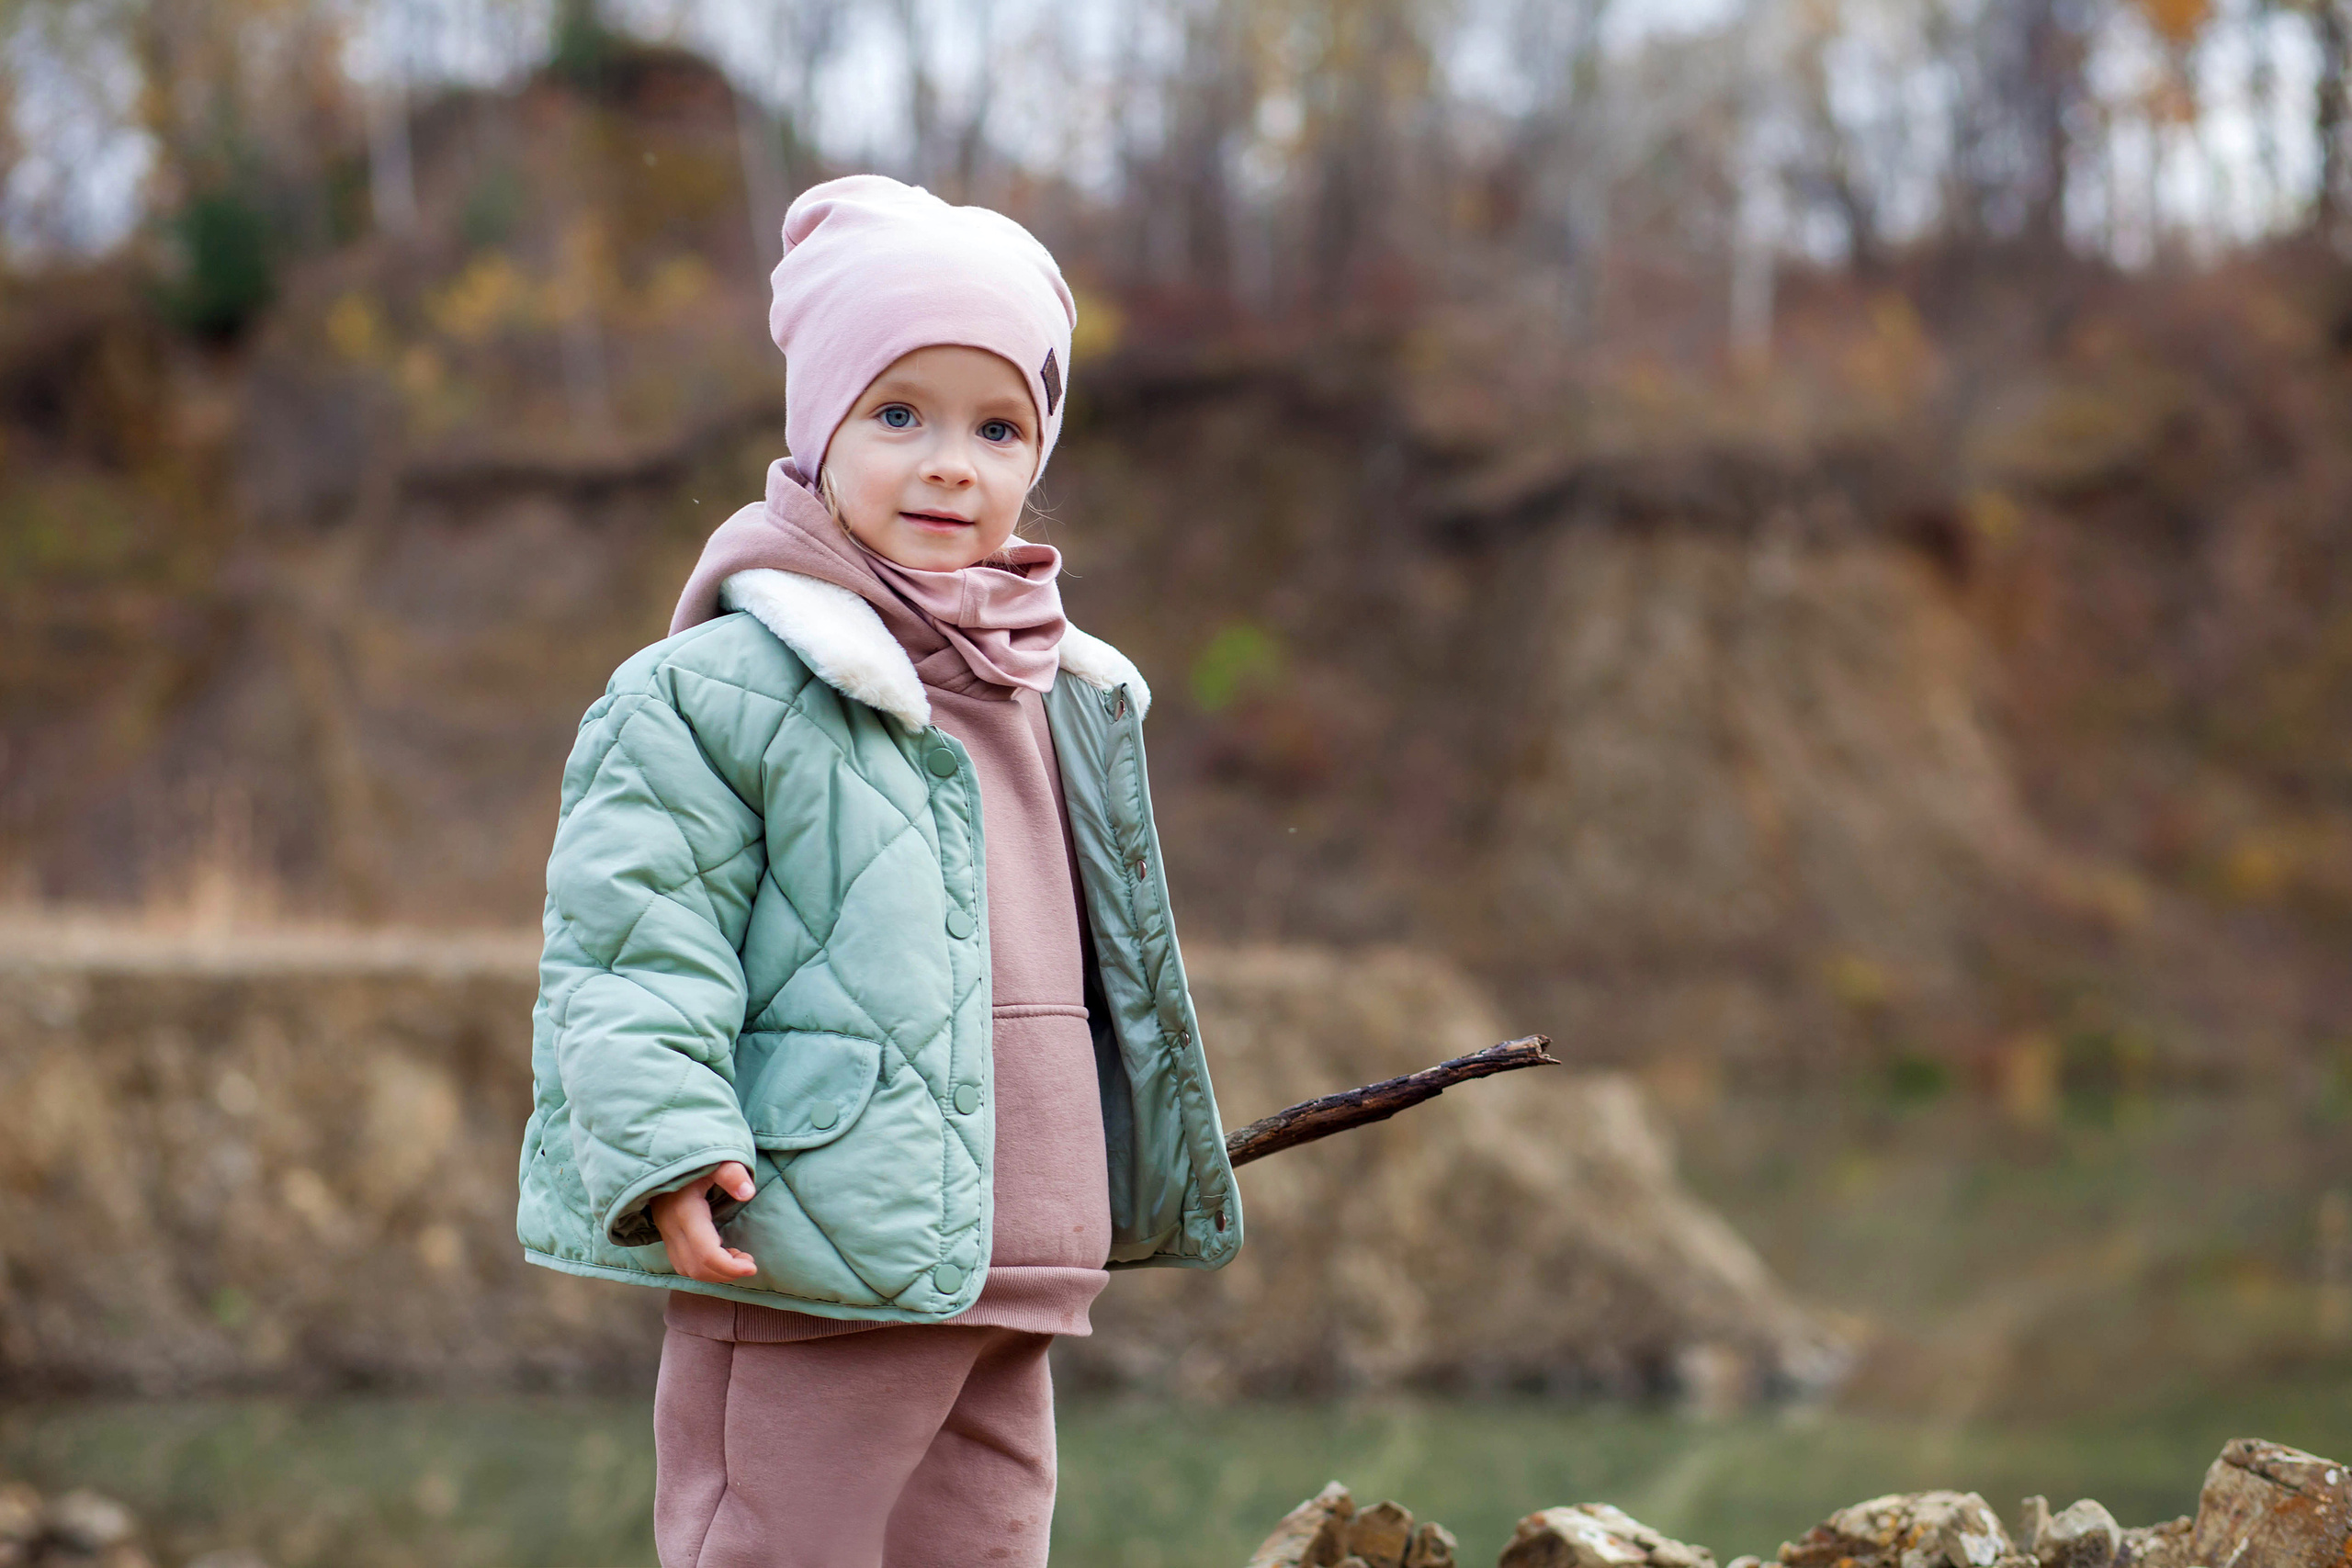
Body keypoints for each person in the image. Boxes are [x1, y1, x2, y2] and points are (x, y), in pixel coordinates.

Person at [514, 173, 1243, 1567]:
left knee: (981, 1546)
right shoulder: (722, 686)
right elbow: (630, 941)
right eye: (897, 415)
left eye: (997, 425)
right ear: (819, 431)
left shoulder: (1057, 686)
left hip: (1017, 1246)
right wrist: (667, 1138)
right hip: (811, 1242)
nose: (950, 462)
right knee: (782, 1543)